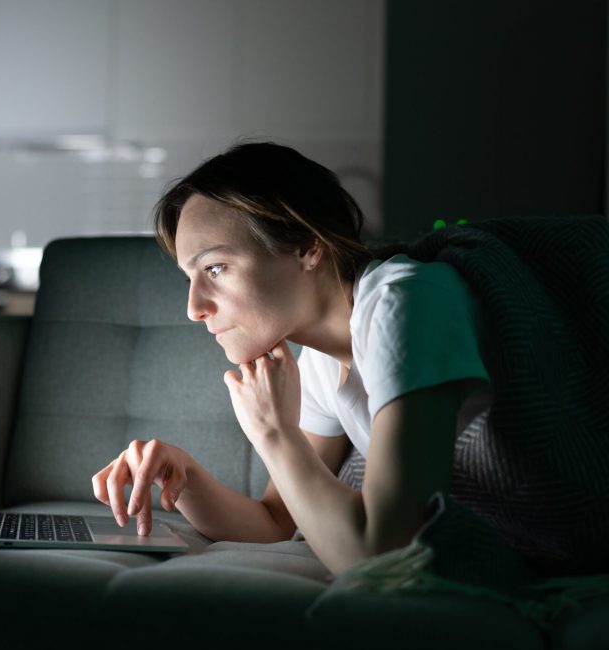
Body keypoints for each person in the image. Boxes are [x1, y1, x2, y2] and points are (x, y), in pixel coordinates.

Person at [91, 141, 493, 575]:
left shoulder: (404, 304)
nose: (194, 308)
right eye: (190, 277)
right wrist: (182, 476)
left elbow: (384, 559)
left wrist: (276, 433)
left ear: (308, 247)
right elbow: (279, 521)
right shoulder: (322, 361)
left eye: (215, 268)